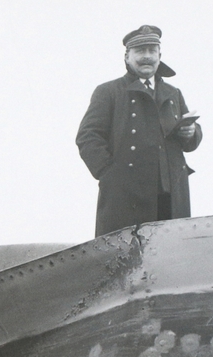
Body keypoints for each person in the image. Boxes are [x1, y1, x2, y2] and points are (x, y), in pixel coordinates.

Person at [76, 25, 202, 237]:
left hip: (171, 194)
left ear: (159, 56)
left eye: (152, 51)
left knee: (172, 257)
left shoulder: (173, 93)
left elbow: (191, 139)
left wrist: (192, 132)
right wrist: (109, 175)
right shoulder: (108, 91)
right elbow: (88, 136)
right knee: (125, 258)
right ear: (127, 57)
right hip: (126, 196)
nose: (147, 57)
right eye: (140, 51)